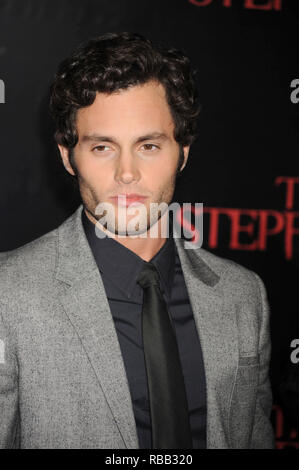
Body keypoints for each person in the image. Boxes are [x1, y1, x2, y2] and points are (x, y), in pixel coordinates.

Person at [0, 32, 275, 449]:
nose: (126, 173)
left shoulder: (243, 296)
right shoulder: (8, 296)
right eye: (102, 147)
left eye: (148, 145)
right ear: (67, 156)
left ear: (182, 152)